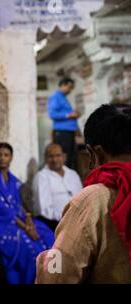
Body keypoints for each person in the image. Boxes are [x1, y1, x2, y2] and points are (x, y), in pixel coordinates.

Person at [36, 104, 131, 283]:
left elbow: (56, 275)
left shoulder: (91, 200)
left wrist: (46, 262)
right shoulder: (43, 177)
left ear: (95, 153)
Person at [0, 143, 54, 284]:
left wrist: (29, 220)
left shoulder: (11, 178)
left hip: (15, 218)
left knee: (46, 234)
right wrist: (26, 228)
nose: (2, 158)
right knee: (27, 247)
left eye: (6, 155)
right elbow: (2, 208)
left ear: (11, 158)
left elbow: (19, 202)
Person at [32, 143, 82, 231]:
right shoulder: (41, 177)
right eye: (51, 156)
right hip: (54, 225)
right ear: (45, 158)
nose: (54, 160)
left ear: (64, 157)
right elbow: (43, 209)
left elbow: (82, 198)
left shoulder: (73, 174)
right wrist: (67, 218)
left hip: (79, 222)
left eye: (58, 155)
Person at [48, 77, 80, 169]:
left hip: (68, 132)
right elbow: (52, 114)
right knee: (64, 159)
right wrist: (68, 115)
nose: (70, 90)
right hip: (62, 133)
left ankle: (67, 180)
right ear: (62, 85)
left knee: (70, 159)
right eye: (69, 87)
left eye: (72, 88)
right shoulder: (56, 97)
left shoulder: (63, 98)